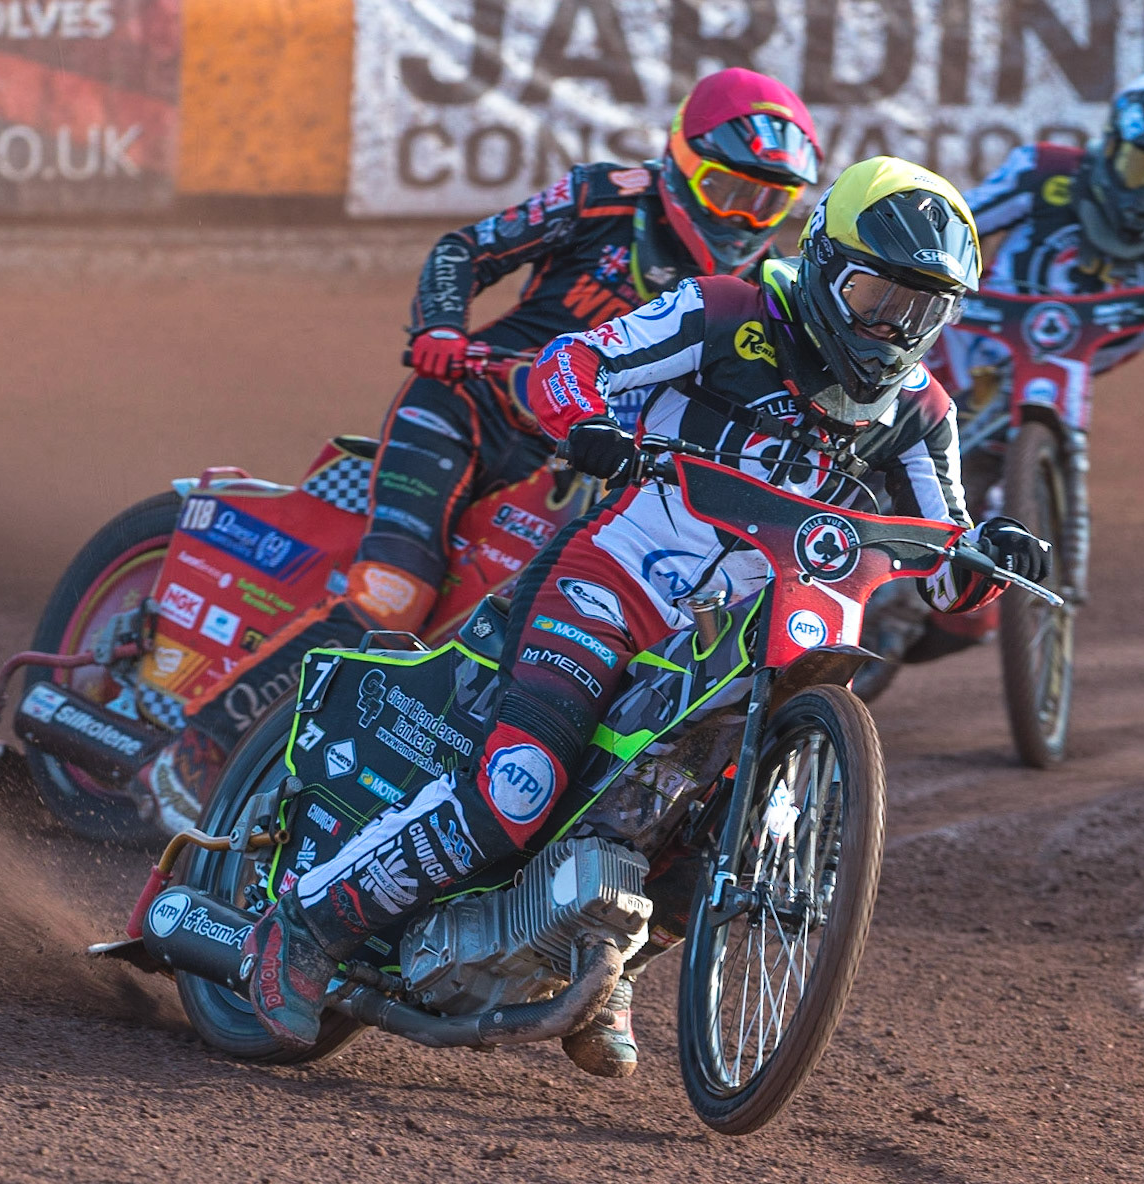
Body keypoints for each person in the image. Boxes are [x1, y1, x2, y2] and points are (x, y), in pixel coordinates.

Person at [241, 157, 1052, 1077]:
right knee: (520, 787)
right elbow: (569, 366)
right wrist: (587, 421)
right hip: (614, 581)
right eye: (876, 296)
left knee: (719, 828)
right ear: (825, 260)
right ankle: (305, 926)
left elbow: (947, 562)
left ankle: (604, 953)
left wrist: (996, 556)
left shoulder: (923, 414)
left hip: (746, 636)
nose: (893, 327)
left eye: (921, 309)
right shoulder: (723, 312)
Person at [134, 68, 822, 836]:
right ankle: (197, 749)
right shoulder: (603, 198)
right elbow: (465, 247)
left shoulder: (758, 295)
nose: (746, 216)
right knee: (394, 596)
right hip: (467, 408)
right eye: (732, 190)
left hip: (579, 471)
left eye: (771, 201)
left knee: (527, 646)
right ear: (683, 162)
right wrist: (438, 329)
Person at [901, 66, 1144, 656]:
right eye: (1137, 168)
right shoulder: (1044, 174)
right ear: (1109, 149)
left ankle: (952, 605)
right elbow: (952, 224)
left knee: (970, 615)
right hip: (954, 349)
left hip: (1051, 386)